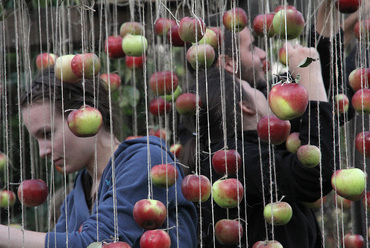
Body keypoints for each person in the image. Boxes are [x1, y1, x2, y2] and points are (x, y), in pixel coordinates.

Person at [0, 68, 198, 248]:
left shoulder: (146, 160)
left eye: (47, 134)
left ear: (85, 113)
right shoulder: (77, 193)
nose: (42, 151)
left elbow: (98, 243)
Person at [180, 41, 339, 247]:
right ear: (245, 106)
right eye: (252, 88)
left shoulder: (239, 153)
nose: (265, 92)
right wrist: (310, 73)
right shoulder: (236, 159)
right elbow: (315, 175)